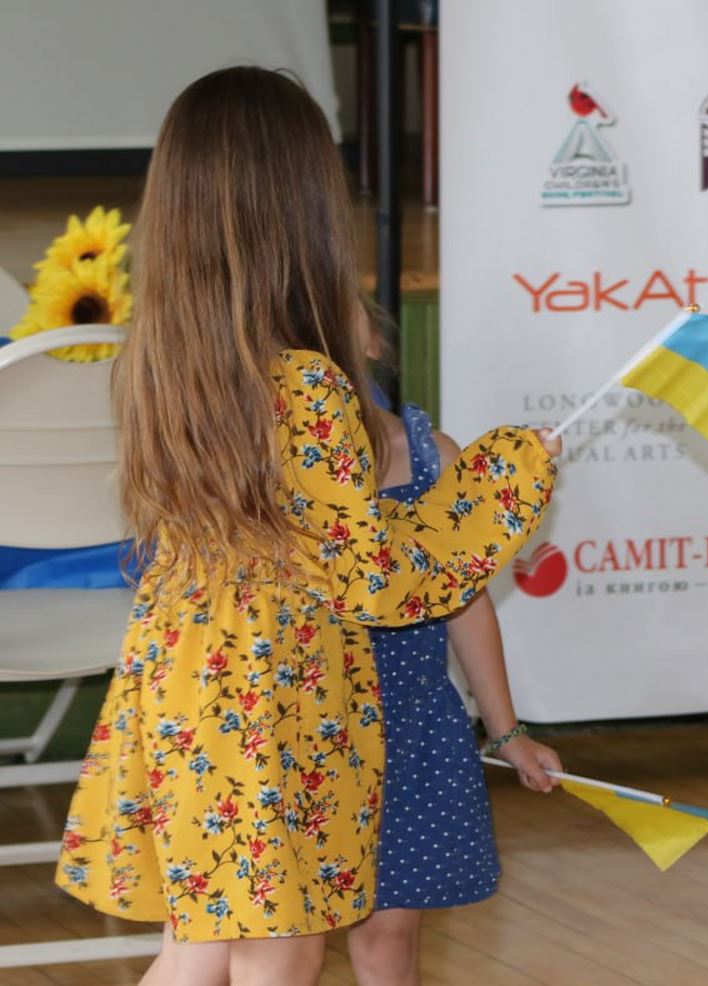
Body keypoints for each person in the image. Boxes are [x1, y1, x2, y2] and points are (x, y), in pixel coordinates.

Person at [52, 66, 560, 986]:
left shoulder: (162, 366)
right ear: (306, 213)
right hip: (283, 700)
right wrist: (507, 485)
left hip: (186, 682)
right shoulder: (309, 388)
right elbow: (376, 581)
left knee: (200, 945)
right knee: (280, 951)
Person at [346, 318, 564, 986]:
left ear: (373, 341)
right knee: (278, 941)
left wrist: (507, 731)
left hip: (409, 721)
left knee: (390, 930)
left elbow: (465, 598)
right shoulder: (271, 464)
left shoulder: (431, 455)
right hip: (310, 724)